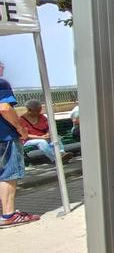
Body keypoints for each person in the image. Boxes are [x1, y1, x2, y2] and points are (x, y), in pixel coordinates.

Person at [0, 62, 41, 227]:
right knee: (8, 174)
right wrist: (20, 128)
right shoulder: (2, 84)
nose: (3, 67)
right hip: (5, 137)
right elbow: (4, 108)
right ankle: (8, 214)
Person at [19, 100, 72, 164]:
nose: (39, 112)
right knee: (42, 142)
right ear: (29, 110)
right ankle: (56, 159)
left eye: (40, 110)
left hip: (44, 137)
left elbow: (49, 127)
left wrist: (48, 133)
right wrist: (40, 137)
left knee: (56, 137)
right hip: (29, 140)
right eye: (36, 110)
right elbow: (24, 135)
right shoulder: (22, 120)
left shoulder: (41, 117)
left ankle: (62, 154)